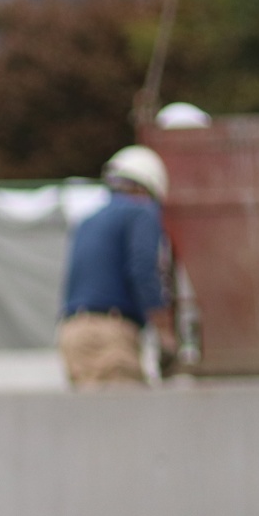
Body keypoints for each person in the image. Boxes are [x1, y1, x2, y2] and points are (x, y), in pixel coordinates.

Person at [58, 145, 169, 388]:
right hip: (108, 335)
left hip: (72, 333)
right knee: (124, 410)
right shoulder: (140, 212)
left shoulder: (87, 220)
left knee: (91, 411)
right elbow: (143, 271)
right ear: (145, 188)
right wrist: (164, 331)